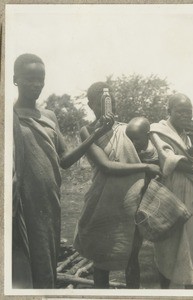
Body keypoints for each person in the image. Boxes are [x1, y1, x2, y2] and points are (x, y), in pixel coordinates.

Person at [12, 54, 111, 289]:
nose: (37, 84)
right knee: (24, 259)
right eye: (30, 79)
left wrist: (95, 135)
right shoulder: (9, 117)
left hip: (50, 200)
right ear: (15, 79)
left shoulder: (49, 117)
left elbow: (64, 160)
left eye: (41, 79)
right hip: (23, 202)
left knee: (47, 256)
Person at [74, 82, 161, 289]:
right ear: (90, 105)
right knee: (101, 261)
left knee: (132, 258)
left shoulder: (127, 130)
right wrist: (146, 167)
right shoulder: (87, 132)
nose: (107, 106)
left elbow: (150, 153)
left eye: (110, 101)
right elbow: (105, 166)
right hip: (102, 203)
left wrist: (149, 160)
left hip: (129, 202)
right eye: (100, 103)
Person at [149, 93, 193, 289]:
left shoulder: (187, 134)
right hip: (171, 193)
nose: (185, 116)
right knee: (168, 245)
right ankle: (165, 290)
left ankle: (192, 287)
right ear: (168, 111)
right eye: (180, 112)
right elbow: (169, 159)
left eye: (188, 112)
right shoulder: (158, 131)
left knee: (192, 244)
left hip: (192, 196)